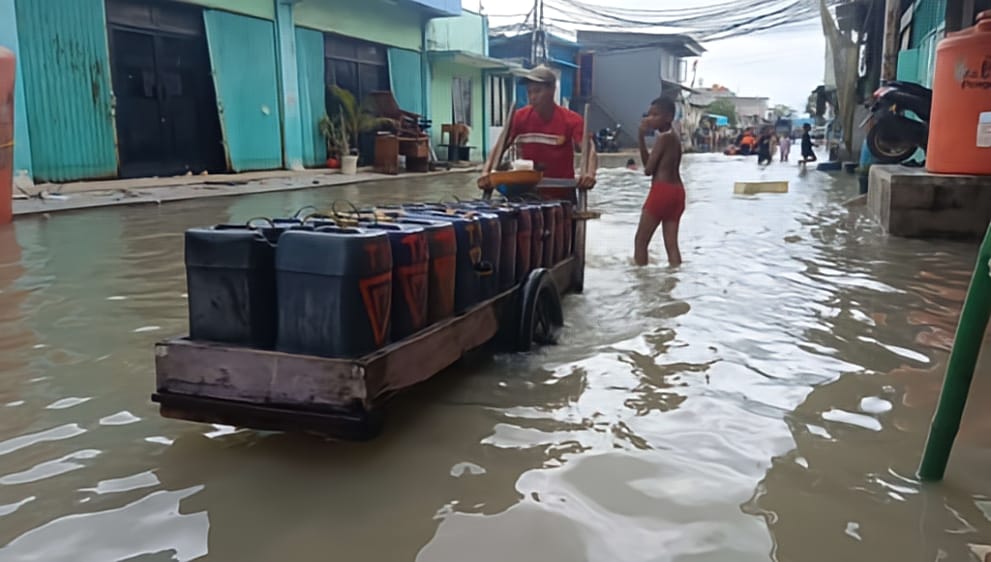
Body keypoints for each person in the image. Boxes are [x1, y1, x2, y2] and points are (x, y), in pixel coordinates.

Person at [477, 66, 596, 199]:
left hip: (561, 192)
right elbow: (499, 147)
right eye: (529, 92)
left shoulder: (571, 120)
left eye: (537, 91)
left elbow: (589, 150)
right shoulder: (519, 118)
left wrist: (589, 174)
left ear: (552, 90)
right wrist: (486, 172)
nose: (533, 97)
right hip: (526, 191)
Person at [635, 96, 684, 267]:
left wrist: (641, 138)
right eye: (649, 115)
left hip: (662, 191)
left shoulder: (663, 138)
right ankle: (673, 282)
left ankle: (641, 285)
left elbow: (648, 170)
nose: (649, 118)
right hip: (678, 192)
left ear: (668, 117)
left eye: (655, 115)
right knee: (672, 246)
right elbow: (653, 165)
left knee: (640, 242)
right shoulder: (674, 136)